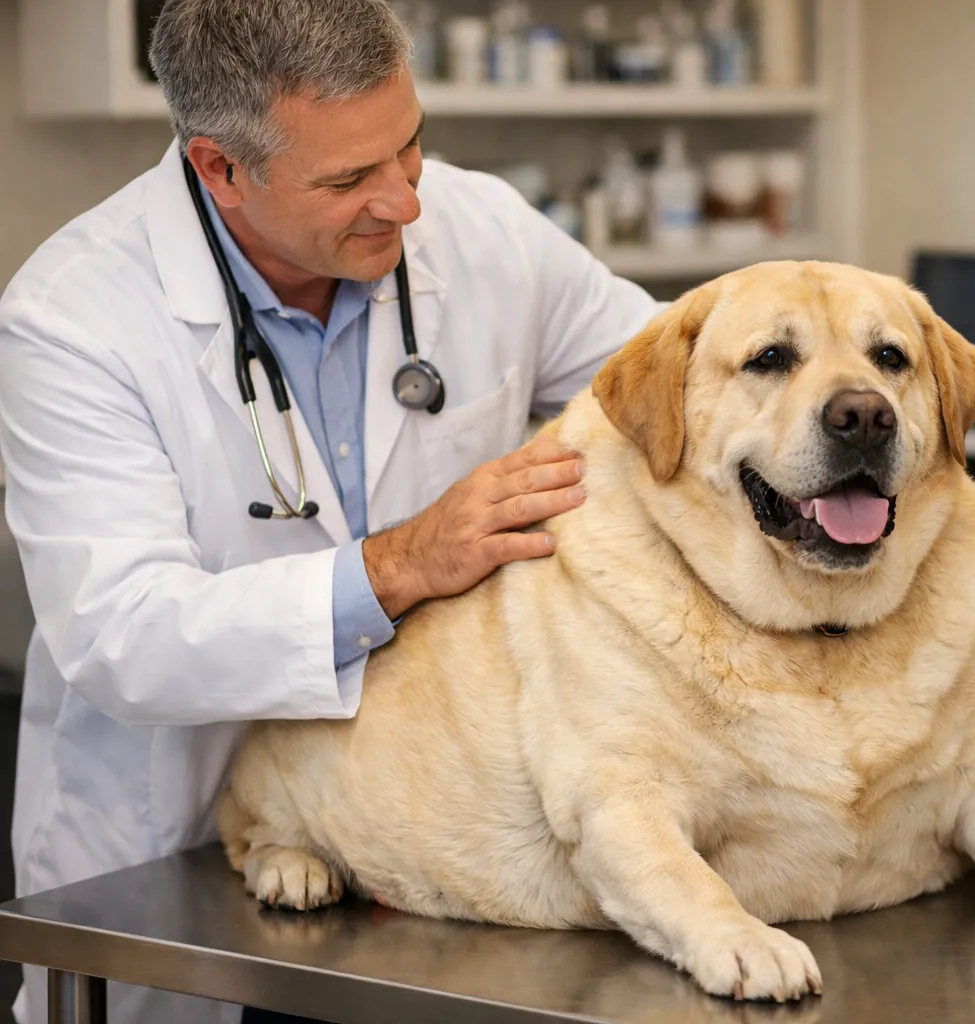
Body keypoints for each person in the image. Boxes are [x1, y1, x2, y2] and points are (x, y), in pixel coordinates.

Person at [0, 2, 657, 1021]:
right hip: (185, 873)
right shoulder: (76, 318)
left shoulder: (485, 234)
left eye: (411, 146)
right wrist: (397, 564)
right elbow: (119, 633)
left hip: (443, 847)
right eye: (350, 180)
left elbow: (678, 380)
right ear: (220, 167)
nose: (402, 203)